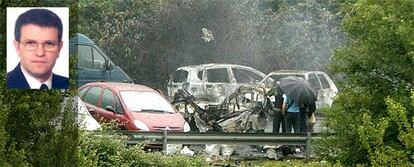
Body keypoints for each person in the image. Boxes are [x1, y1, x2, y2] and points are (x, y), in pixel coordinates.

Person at [7, 8, 68, 89]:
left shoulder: (67, 85)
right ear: (17, 47)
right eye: (31, 43)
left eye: (49, 44)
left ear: (59, 48)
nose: (40, 53)